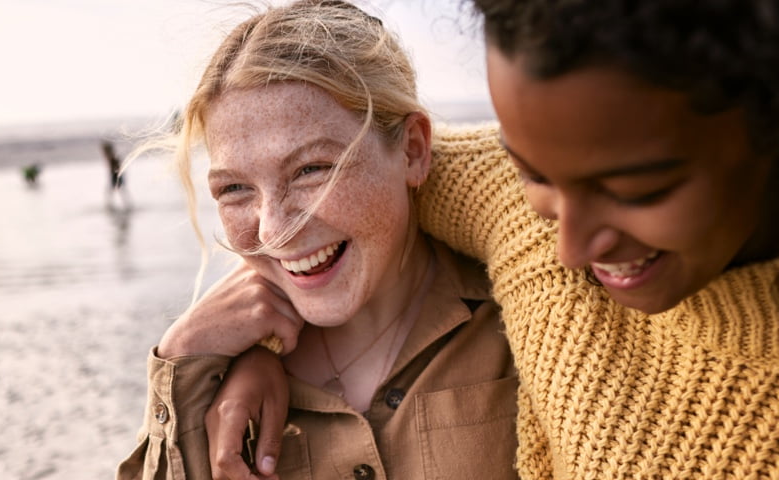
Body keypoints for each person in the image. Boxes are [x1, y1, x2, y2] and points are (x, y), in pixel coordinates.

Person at [208, 0, 779, 478]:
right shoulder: (514, 211)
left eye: (637, 190)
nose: (570, 248)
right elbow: (346, 197)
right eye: (533, 172)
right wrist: (260, 341)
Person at [117, 1, 518, 479]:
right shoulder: (208, 377)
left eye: (311, 169)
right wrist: (183, 351)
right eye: (235, 189)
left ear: (412, 150)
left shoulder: (522, 323)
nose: (271, 230)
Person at [103, 139, 132, 209]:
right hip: (115, 176)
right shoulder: (111, 157)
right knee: (117, 191)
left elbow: (118, 167)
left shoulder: (113, 157)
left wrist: (116, 173)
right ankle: (112, 205)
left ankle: (125, 205)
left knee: (118, 191)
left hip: (116, 176)